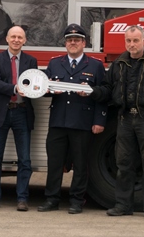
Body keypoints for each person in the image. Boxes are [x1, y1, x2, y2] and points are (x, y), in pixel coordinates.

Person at [87, 25, 144, 220]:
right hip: (125, 119)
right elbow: (107, 88)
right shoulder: (119, 63)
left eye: (136, 40)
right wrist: (92, 92)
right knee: (123, 163)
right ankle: (122, 205)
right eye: (128, 40)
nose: (132, 44)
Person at [37, 24, 107, 214]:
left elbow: (104, 95)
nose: (73, 43)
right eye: (69, 40)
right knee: (55, 163)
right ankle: (52, 199)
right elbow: (40, 90)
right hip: (58, 122)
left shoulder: (95, 65)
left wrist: (99, 120)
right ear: (65, 43)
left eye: (77, 40)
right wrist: (51, 89)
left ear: (84, 43)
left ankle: (77, 200)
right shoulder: (54, 64)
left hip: (82, 122)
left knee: (81, 163)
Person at [0, 25, 37, 211]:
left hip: (23, 112)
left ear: (24, 40)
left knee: (25, 159)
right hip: (1, 112)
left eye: (20, 37)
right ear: (7, 39)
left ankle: (22, 199)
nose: (16, 40)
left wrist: (39, 90)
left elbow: (34, 85)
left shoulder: (31, 61)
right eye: (13, 36)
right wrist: (15, 88)